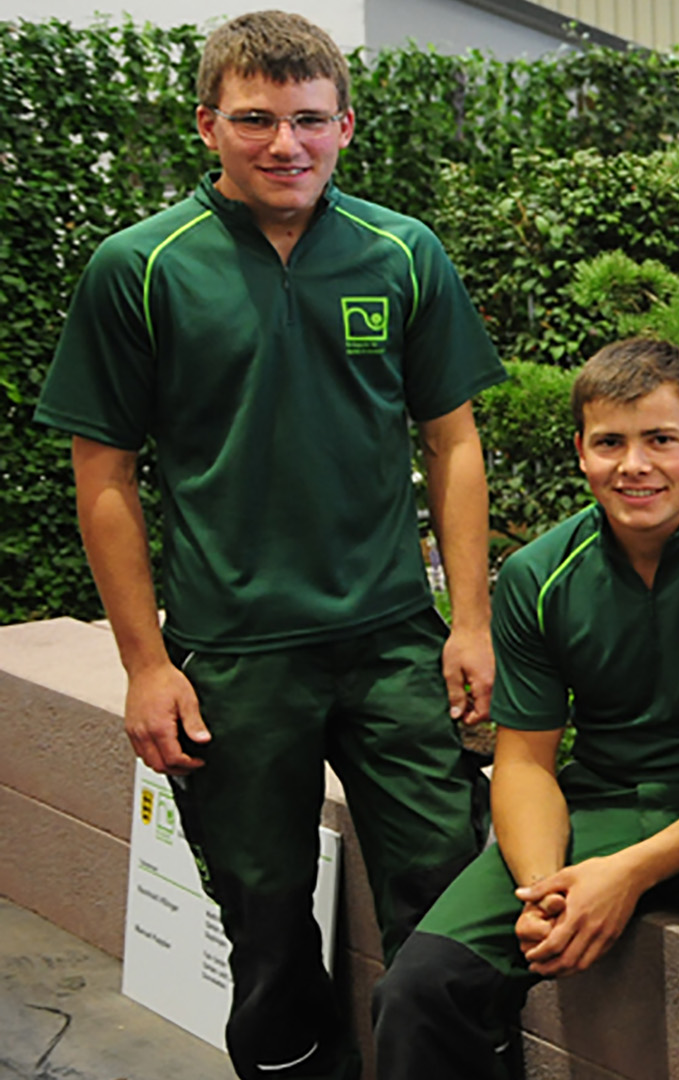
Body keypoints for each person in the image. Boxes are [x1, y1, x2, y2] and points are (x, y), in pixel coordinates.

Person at [33, 11, 505, 1079]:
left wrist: (469, 619)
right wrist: (145, 665)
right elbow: (103, 477)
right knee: (266, 928)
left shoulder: (402, 253)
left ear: (346, 125)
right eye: (255, 119)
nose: (284, 144)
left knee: (449, 910)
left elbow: (454, 439)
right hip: (235, 660)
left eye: (307, 120)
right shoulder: (139, 268)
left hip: (393, 646)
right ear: (208, 125)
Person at [372, 338, 679, 1080]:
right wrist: (544, 892)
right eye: (610, 443)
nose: (634, 465)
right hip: (603, 807)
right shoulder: (540, 575)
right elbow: (525, 761)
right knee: (419, 989)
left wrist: (627, 875)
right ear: (580, 452)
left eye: (661, 439)